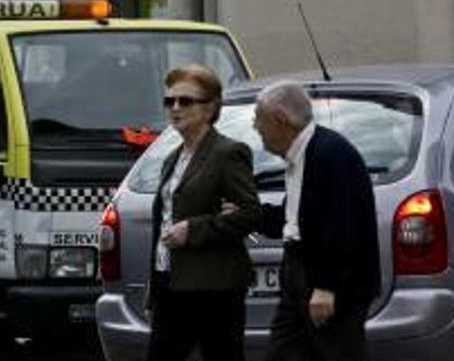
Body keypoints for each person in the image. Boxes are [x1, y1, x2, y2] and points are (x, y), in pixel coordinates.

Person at [251, 81, 379, 361]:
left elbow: (342, 226)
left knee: (335, 352)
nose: (255, 128)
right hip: (297, 275)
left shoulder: (329, 154)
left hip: (331, 285)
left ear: (279, 120)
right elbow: (294, 220)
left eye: (258, 118)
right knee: (283, 353)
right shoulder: (301, 155)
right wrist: (246, 213)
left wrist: (326, 286)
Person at [146, 65, 261, 361]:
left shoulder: (228, 152)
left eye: (186, 101)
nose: (175, 108)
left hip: (214, 287)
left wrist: (193, 230)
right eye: (169, 101)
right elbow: (166, 218)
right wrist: (155, 289)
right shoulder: (172, 157)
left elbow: (250, 213)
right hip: (171, 283)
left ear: (210, 108)